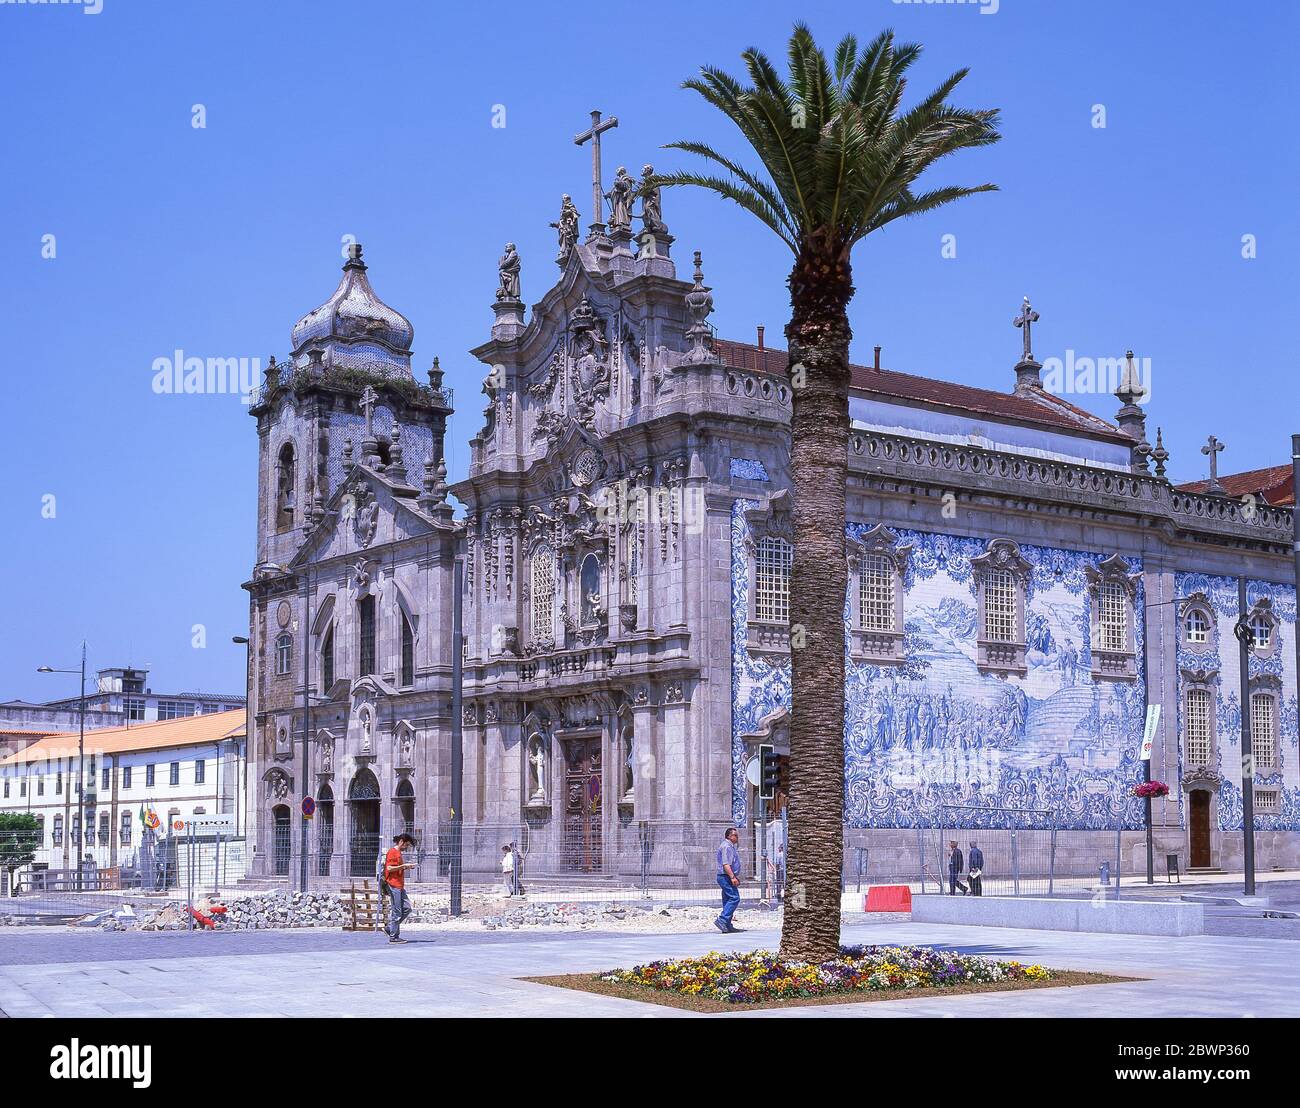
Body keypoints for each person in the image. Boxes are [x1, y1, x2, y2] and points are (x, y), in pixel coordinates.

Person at [383, 833, 416, 943]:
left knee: (407, 908)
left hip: (399, 885)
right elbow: (389, 868)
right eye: (406, 845)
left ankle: (390, 928)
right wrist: (403, 866)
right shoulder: (392, 852)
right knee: (397, 911)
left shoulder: (398, 853)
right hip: (393, 885)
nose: (406, 848)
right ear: (401, 841)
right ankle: (393, 936)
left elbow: (397, 869)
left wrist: (406, 867)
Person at [715, 827, 742, 934]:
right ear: (728, 836)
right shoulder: (727, 847)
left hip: (726, 876)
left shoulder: (729, 846)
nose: (737, 838)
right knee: (735, 898)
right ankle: (722, 919)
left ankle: (727, 924)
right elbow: (726, 864)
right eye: (735, 835)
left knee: (727, 900)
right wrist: (732, 877)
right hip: (725, 876)